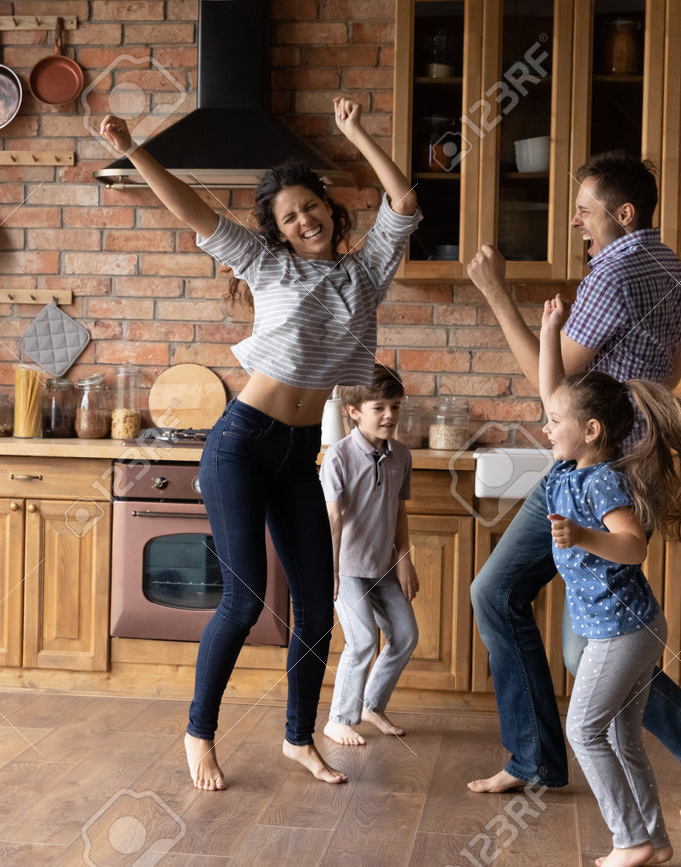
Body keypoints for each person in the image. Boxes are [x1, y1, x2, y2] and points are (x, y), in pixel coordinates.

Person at [97, 97, 420, 791]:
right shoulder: (267, 265)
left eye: (311, 206)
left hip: (299, 454)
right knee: (243, 602)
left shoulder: (367, 272)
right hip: (241, 445)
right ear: (277, 230)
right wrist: (135, 150)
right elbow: (193, 212)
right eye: (289, 216)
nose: (304, 220)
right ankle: (199, 733)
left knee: (317, 606)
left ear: (330, 208)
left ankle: (299, 739)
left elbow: (402, 199)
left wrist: (357, 132)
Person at [465, 150, 681, 822]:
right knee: (553, 625)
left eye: (584, 210)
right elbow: (672, 369)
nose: (575, 222)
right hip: (622, 463)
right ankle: (536, 757)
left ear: (622, 214)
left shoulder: (614, 272)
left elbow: (555, 387)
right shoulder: (673, 269)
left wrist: (496, 293)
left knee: (559, 627)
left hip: (598, 469)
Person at [536, 293, 681, 867]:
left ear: (591, 430)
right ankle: (654, 842)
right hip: (627, 627)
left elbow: (634, 545)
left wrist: (581, 536)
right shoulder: (571, 466)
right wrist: (550, 332)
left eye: (555, 423)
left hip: (621, 632)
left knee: (584, 732)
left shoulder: (602, 481)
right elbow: (555, 395)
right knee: (621, 737)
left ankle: (631, 841)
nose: (545, 426)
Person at [320, 364, 420, 747]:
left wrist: (404, 558)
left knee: (405, 636)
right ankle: (338, 720)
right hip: (345, 568)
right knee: (362, 640)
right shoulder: (338, 457)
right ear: (354, 411)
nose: (390, 415)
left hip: (383, 566)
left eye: (395, 406)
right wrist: (330, 571)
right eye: (379, 408)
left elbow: (399, 511)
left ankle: (371, 706)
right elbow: (333, 518)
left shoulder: (401, 455)